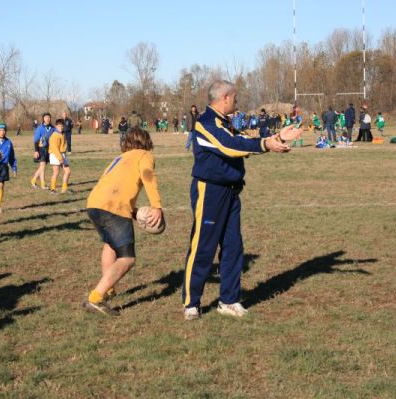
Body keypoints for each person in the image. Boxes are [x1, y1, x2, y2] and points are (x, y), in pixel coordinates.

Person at [182, 80, 301, 320]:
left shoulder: (225, 123)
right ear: (225, 97)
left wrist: (276, 137)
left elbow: (243, 140)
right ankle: (192, 303)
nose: (236, 103)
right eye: (235, 98)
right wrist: (267, 144)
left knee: (233, 247)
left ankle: (229, 300)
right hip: (210, 192)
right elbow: (230, 146)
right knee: (203, 246)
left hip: (231, 192)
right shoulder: (205, 124)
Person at [84, 128, 163, 316]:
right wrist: (156, 206)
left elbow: (114, 185)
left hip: (94, 203)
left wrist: (133, 212)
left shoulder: (118, 159)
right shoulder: (144, 155)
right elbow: (148, 176)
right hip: (113, 206)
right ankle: (95, 298)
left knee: (110, 245)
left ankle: (109, 289)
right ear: (146, 141)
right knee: (127, 258)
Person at [31, 112, 54, 189]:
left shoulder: (53, 128)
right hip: (41, 149)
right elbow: (36, 140)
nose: (47, 119)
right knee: (42, 167)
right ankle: (43, 184)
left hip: (49, 149)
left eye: (49, 117)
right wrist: (36, 151)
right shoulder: (39, 128)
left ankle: (33, 180)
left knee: (42, 167)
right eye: (46, 117)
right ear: (43, 119)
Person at [48, 119, 72, 194]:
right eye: (59, 126)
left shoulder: (62, 134)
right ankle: (53, 189)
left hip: (62, 154)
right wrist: (60, 158)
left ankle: (64, 189)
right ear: (56, 126)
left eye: (62, 126)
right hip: (55, 155)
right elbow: (55, 148)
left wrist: (63, 155)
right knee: (56, 172)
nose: (61, 128)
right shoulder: (54, 135)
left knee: (68, 171)